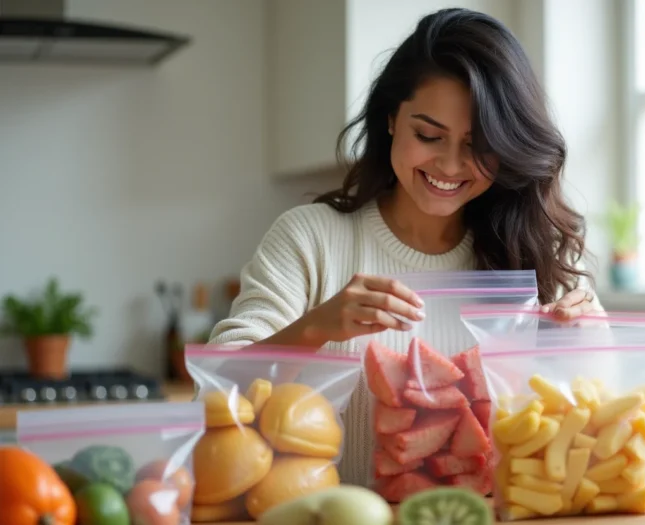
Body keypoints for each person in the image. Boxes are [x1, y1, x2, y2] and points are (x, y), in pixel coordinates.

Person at [208, 7, 604, 485]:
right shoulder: (309, 238)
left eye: (480, 147)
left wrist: (589, 340)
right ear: (392, 118)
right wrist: (317, 327)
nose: (451, 165)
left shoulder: (536, 250)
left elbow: (595, 422)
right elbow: (215, 395)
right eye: (429, 135)